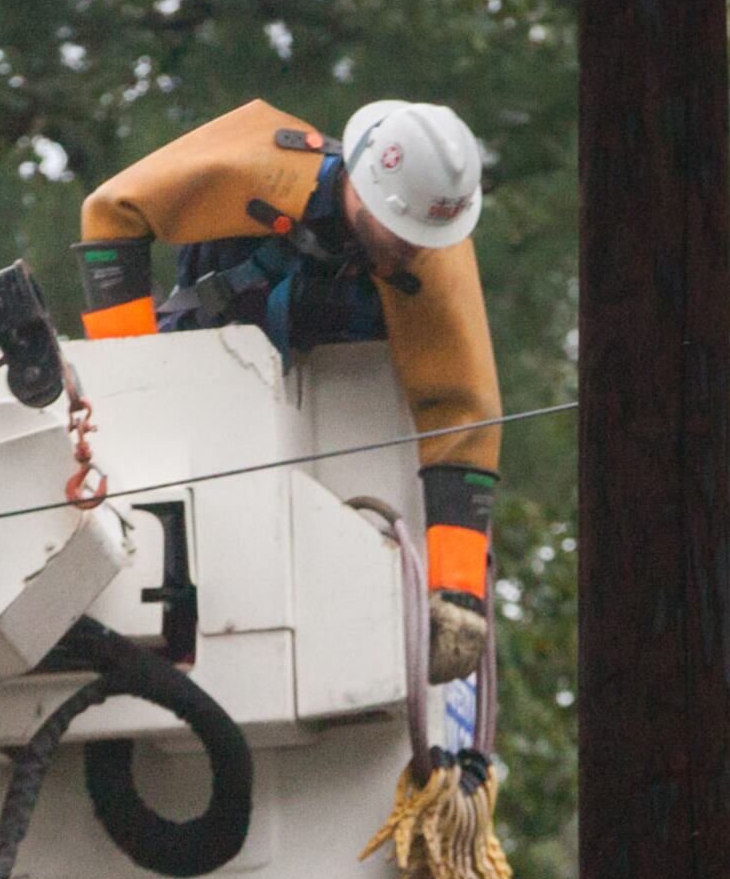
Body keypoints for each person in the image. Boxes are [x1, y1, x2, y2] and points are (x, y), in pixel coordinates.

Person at [76, 97, 501, 681]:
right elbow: (109, 215)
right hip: (205, 380)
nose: (410, 249)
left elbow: (465, 420)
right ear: (362, 187)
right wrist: (135, 380)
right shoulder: (257, 167)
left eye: (421, 239)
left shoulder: (435, 253)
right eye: (398, 233)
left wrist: (459, 595)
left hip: (338, 423)